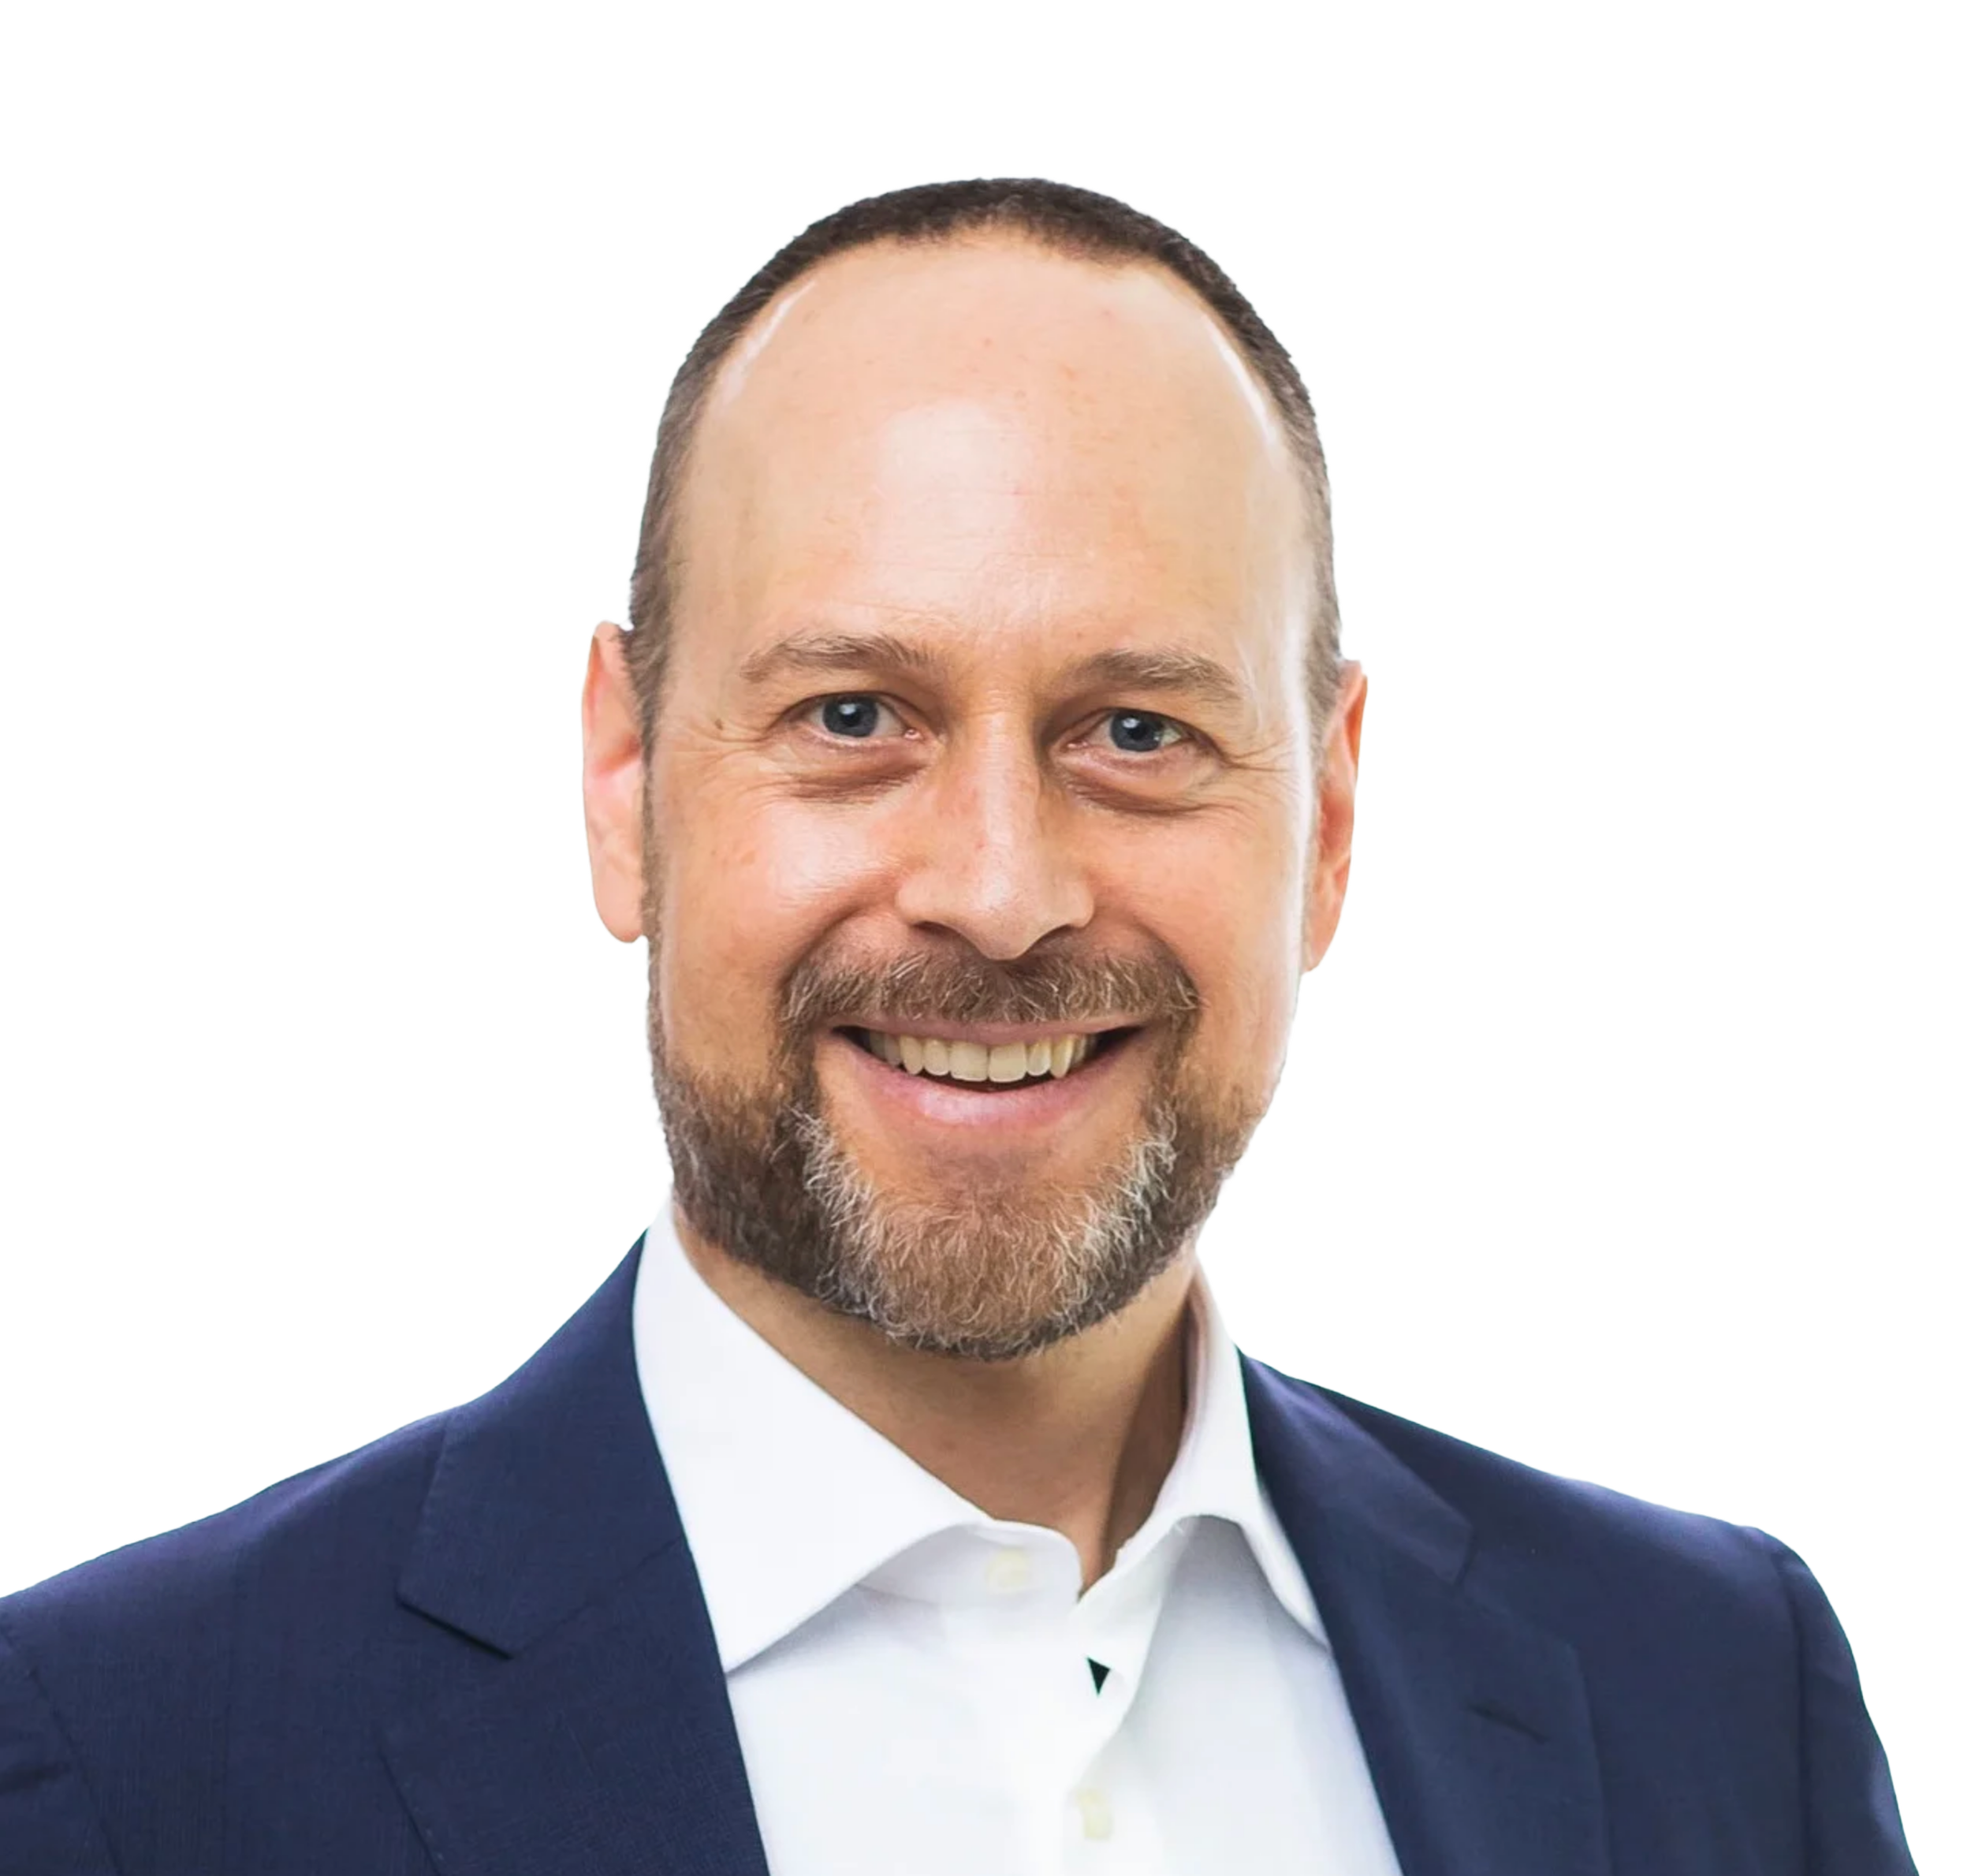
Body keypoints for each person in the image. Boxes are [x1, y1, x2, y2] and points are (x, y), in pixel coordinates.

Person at [0, 176, 1915, 1876]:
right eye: (852, 716)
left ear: (1333, 823)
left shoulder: (1714, 1692)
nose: (999, 887)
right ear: (620, 782)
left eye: (1136, 730)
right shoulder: (109, 1761)